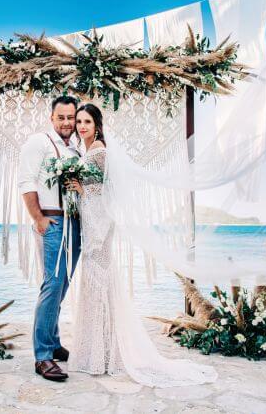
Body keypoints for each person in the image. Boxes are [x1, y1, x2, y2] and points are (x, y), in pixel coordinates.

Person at [65, 103, 218, 387]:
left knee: (99, 284)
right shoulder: (88, 151)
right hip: (92, 224)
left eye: (87, 122)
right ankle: (98, 351)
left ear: (97, 125)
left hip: (99, 227)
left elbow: (109, 192)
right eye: (79, 122)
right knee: (97, 285)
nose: (81, 126)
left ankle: (103, 354)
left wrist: (82, 190)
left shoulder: (99, 151)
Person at [18, 95, 81, 382]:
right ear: (51, 118)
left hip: (74, 223)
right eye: (61, 117)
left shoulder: (75, 149)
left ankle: (54, 344)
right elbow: (26, 181)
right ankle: (42, 356)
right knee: (52, 284)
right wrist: (38, 218)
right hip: (53, 222)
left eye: (71, 117)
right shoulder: (39, 142)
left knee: (62, 285)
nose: (67, 122)